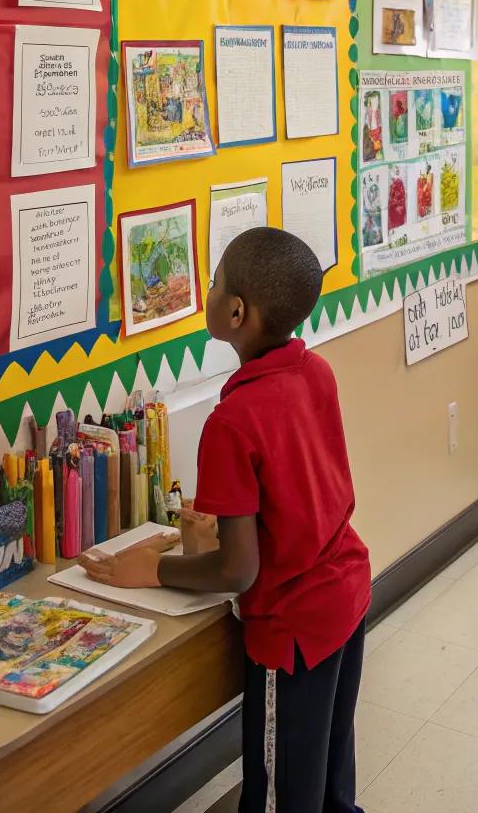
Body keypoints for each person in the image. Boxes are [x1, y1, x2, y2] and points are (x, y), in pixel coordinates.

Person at [78, 228, 371, 813]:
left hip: (291, 631)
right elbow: (304, 493)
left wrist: (154, 569)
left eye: (212, 283)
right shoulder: (317, 373)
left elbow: (239, 571)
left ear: (235, 311)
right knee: (329, 779)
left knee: (279, 794)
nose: (206, 291)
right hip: (346, 595)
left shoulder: (232, 421)